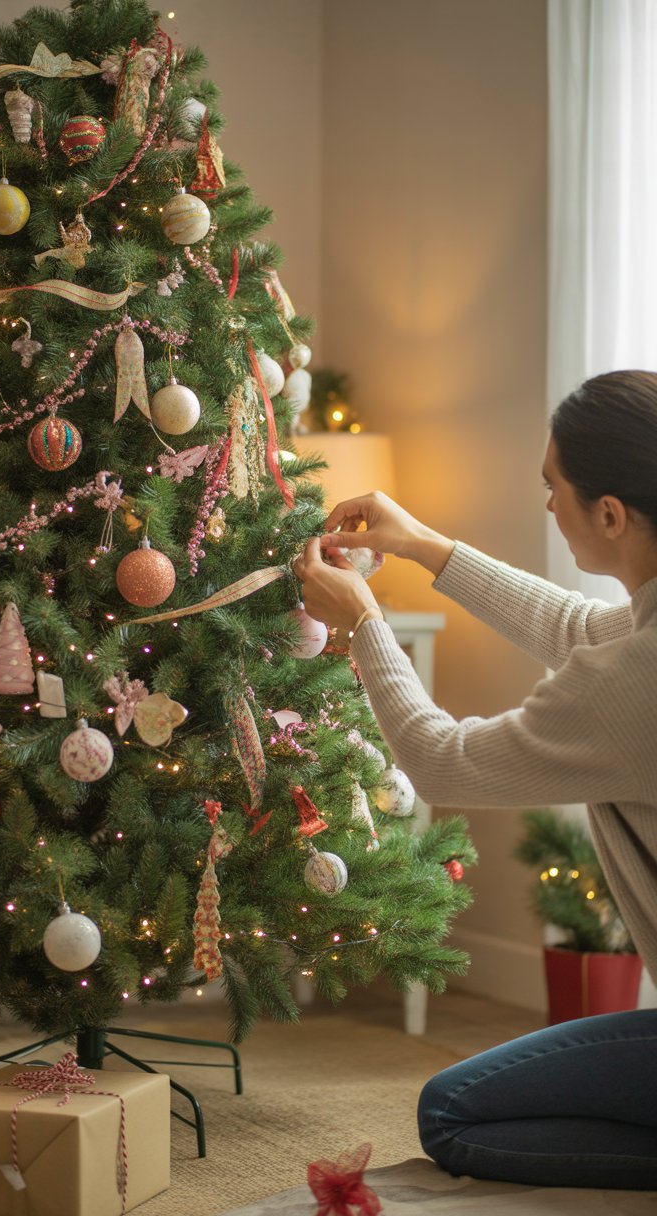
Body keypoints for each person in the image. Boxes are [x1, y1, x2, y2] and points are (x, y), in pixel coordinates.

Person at [293, 369, 657, 1191]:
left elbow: (439, 759)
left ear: (609, 514)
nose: (547, 506)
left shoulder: (635, 680)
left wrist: (364, 626)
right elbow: (573, 626)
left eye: (551, 488)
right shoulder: (641, 633)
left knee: (451, 1113)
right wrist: (424, 545)